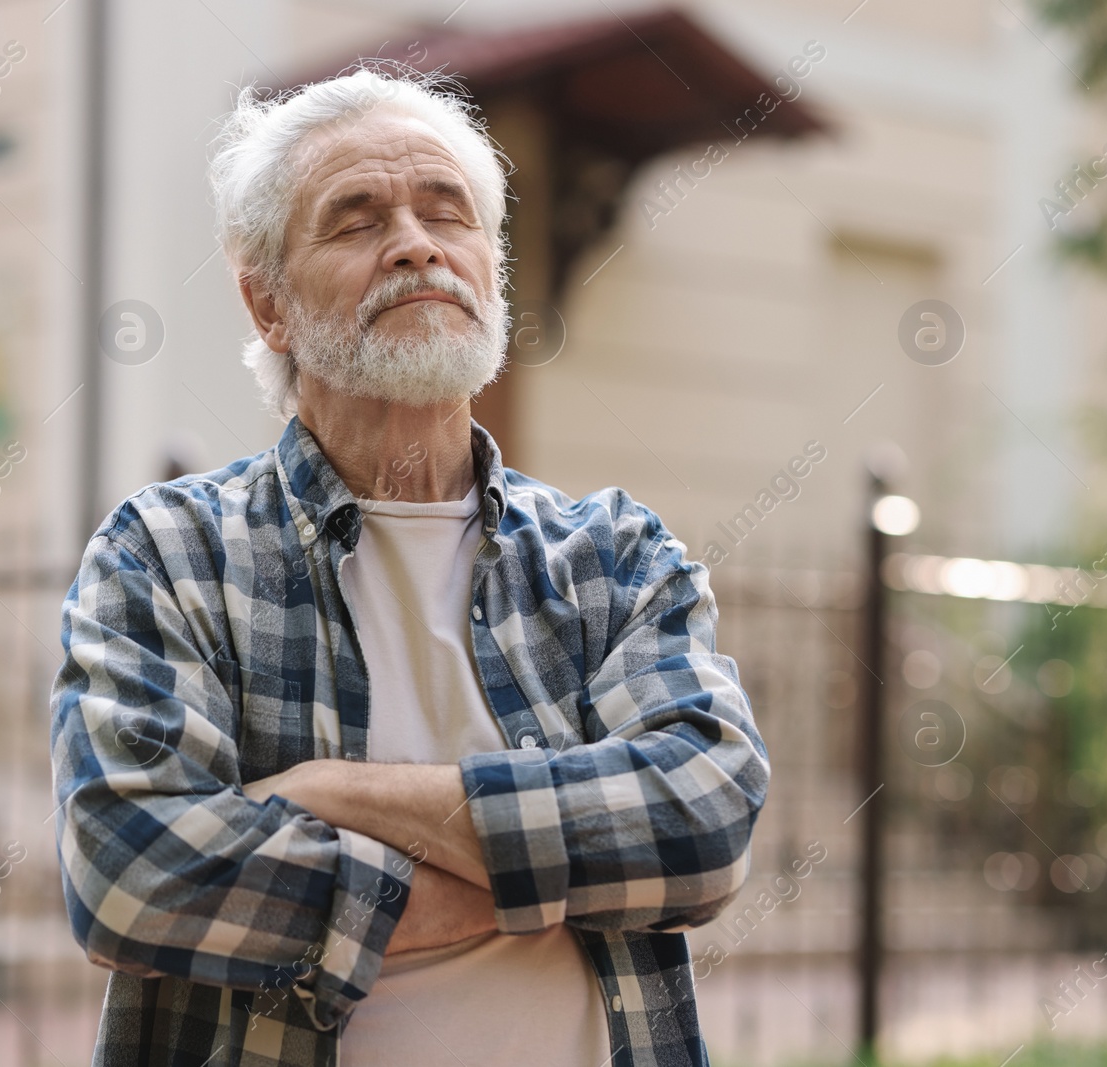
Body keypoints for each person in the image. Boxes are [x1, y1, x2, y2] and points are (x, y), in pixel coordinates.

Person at [49, 65, 768, 1067]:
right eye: (354, 219)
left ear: (490, 267)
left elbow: (703, 823)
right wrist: (544, 866)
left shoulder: (613, 557)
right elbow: (134, 875)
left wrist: (334, 789)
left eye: (449, 212)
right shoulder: (170, 554)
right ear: (268, 302)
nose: (417, 242)